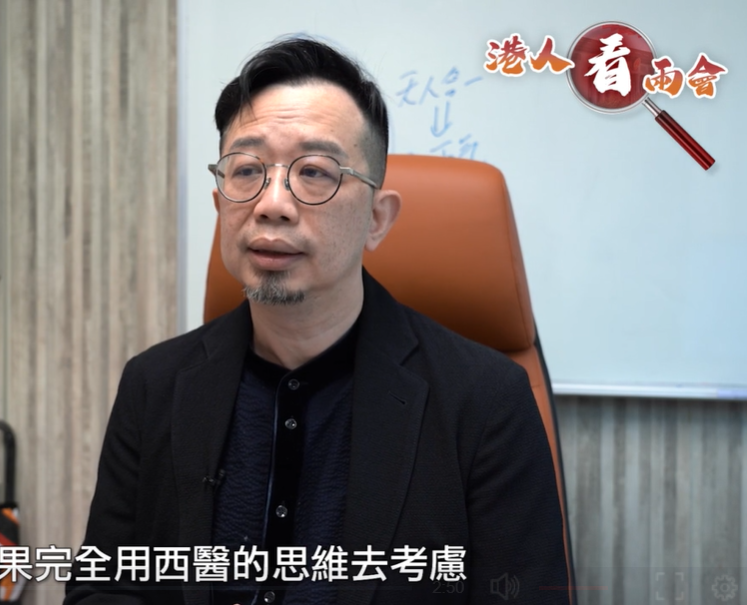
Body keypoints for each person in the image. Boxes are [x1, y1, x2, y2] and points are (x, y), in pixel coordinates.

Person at [66, 37, 568, 604]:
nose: (272, 204)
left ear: (378, 219)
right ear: (220, 205)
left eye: (314, 172)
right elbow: (102, 589)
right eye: (246, 169)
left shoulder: (486, 402)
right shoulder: (154, 384)